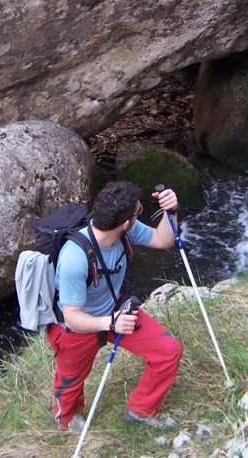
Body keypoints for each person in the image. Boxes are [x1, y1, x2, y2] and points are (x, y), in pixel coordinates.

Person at [48, 180, 184, 431]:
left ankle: (140, 410)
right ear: (125, 223)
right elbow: (72, 317)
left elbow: (162, 239)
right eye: (138, 212)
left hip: (116, 309)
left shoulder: (124, 230)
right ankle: (66, 420)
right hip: (76, 328)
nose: (138, 216)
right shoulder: (73, 258)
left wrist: (170, 211)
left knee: (168, 350)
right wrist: (110, 322)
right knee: (71, 381)